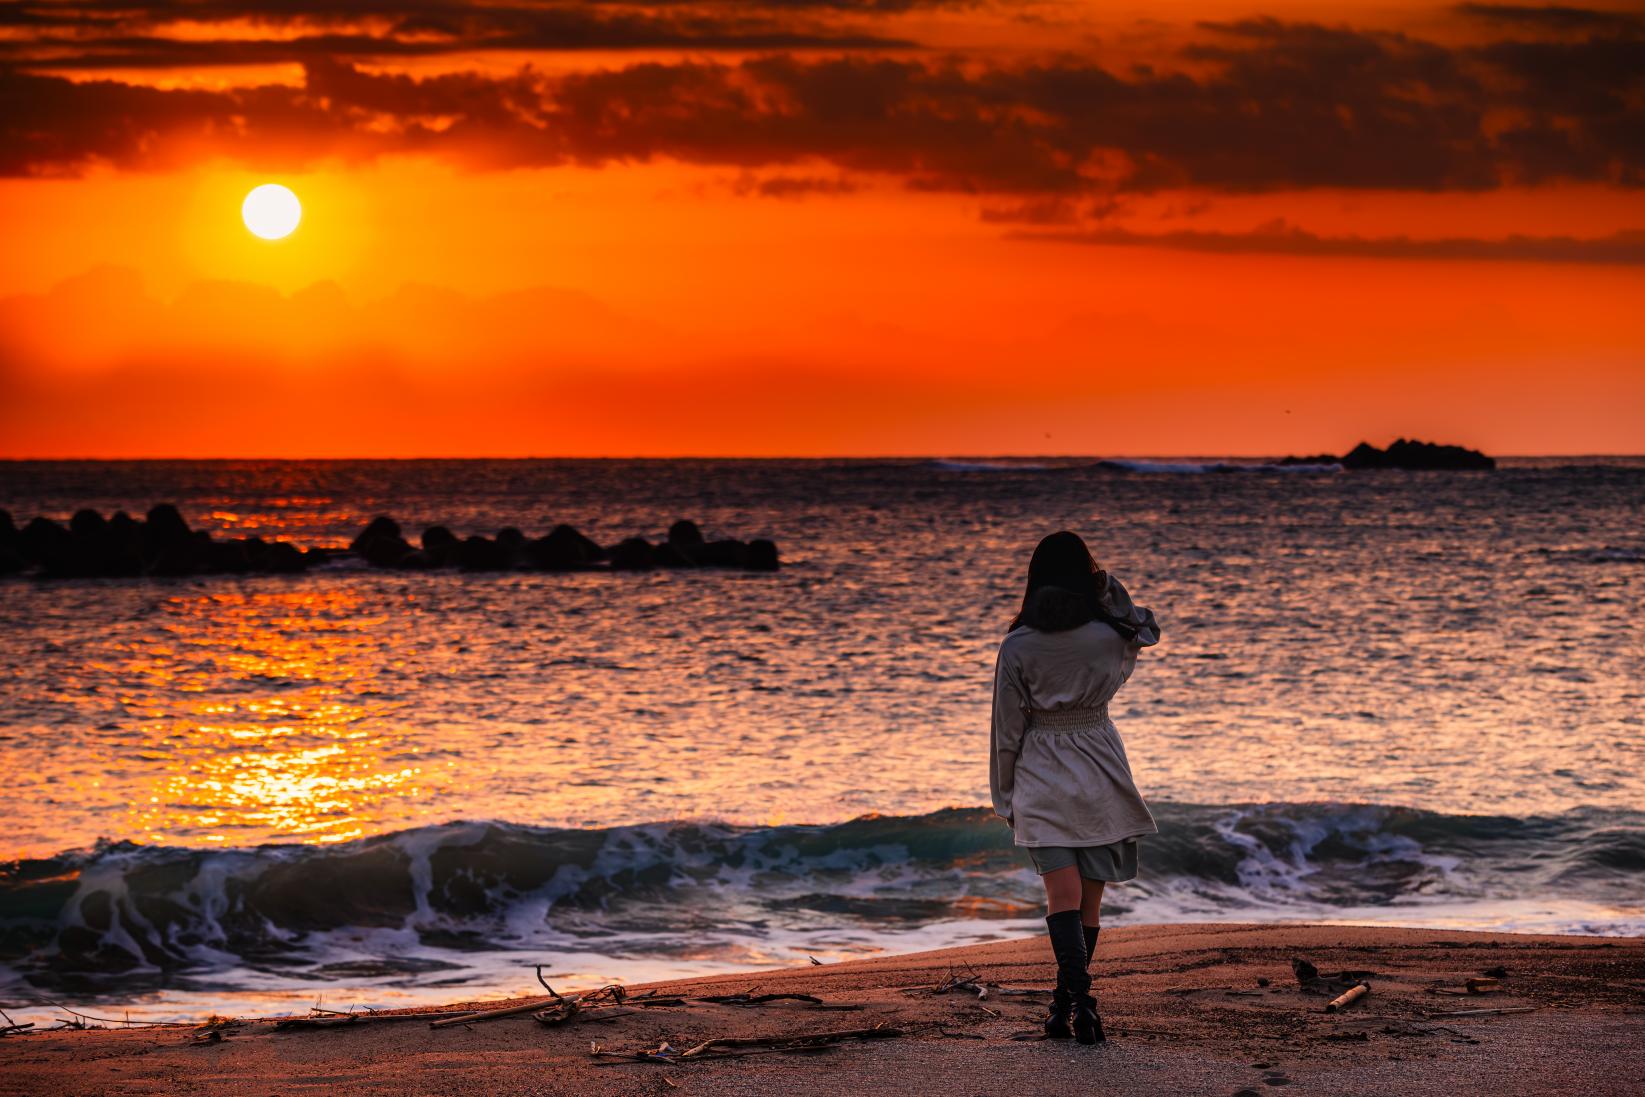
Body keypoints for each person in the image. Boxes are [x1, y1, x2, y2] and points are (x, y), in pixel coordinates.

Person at [989, 530, 1160, 1044]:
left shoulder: (1017, 645)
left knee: (1060, 894)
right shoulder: (1109, 635)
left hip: (1042, 768)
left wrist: (1004, 795)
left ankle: (1076, 1004)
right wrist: (1104, 587)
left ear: (1034, 581)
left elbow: (1007, 728)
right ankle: (1073, 1007)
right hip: (1100, 764)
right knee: (1088, 902)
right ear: (1086, 576)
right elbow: (1146, 626)